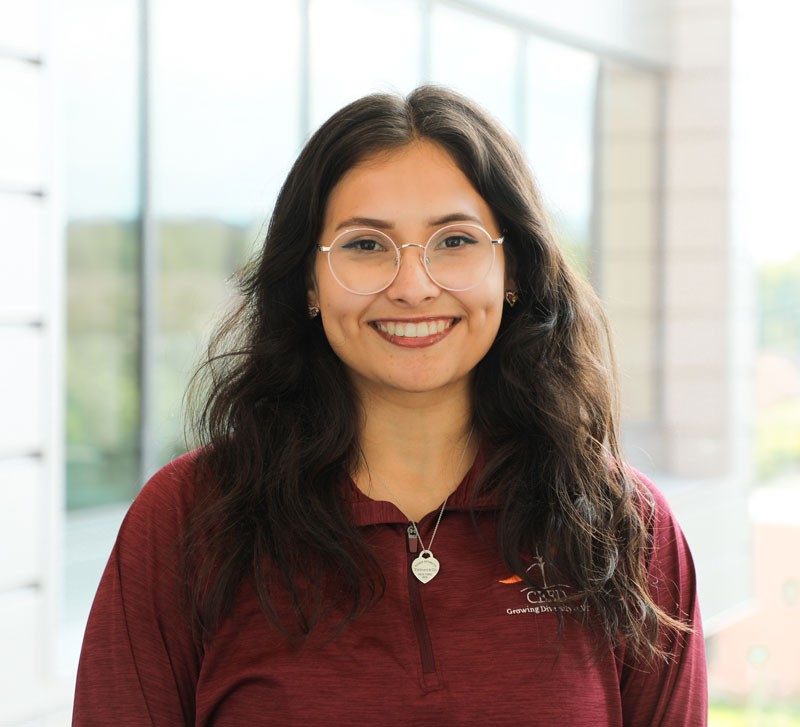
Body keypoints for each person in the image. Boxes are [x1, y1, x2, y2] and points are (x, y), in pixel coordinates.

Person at [72, 85, 707, 726]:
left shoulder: (623, 529)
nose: (412, 287)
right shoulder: (188, 521)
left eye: (455, 241)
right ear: (309, 283)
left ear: (512, 270)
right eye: (366, 246)